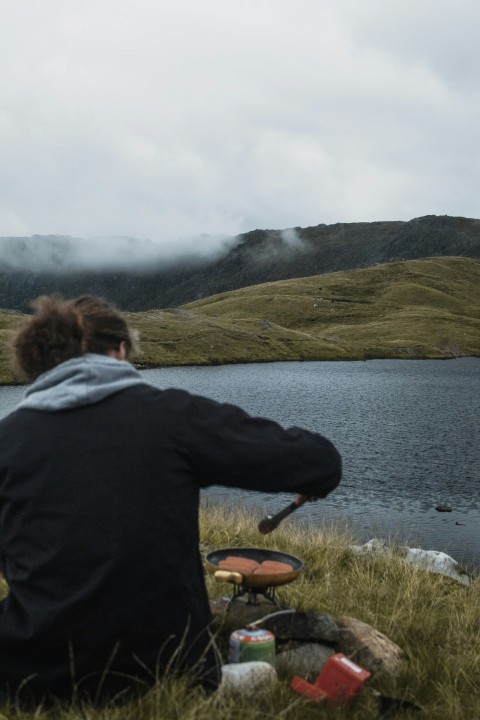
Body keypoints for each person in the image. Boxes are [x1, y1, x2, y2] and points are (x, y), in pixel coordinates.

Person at [0, 294, 342, 707]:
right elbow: (320, 463)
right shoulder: (171, 417)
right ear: (121, 350)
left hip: (31, 675)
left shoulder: (9, 439)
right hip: (166, 668)